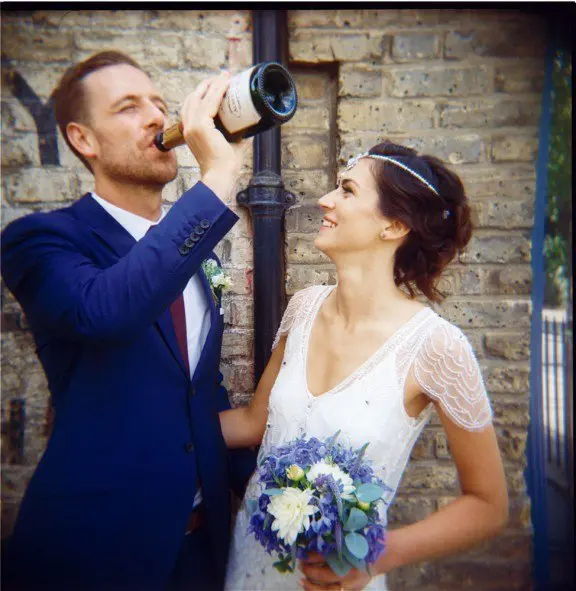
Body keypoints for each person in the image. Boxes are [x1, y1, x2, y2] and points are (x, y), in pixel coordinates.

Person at [1, 51, 255, 591]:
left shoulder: (197, 254)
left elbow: (199, 394)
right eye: (128, 107)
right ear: (83, 139)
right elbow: (106, 312)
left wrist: (270, 496)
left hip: (200, 552)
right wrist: (218, 178)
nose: (156, 117)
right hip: (91, 555)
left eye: (158, 104)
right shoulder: (40, 241)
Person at [219, 140, 509, 591]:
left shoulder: (436, 348)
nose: (325, 200)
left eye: (348, 190)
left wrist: (376, 556)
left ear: (394, 225)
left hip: (340, 578)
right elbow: (254, 422)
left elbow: (489, 505)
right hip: (250, 565)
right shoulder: (303, 307)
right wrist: (157, 433)